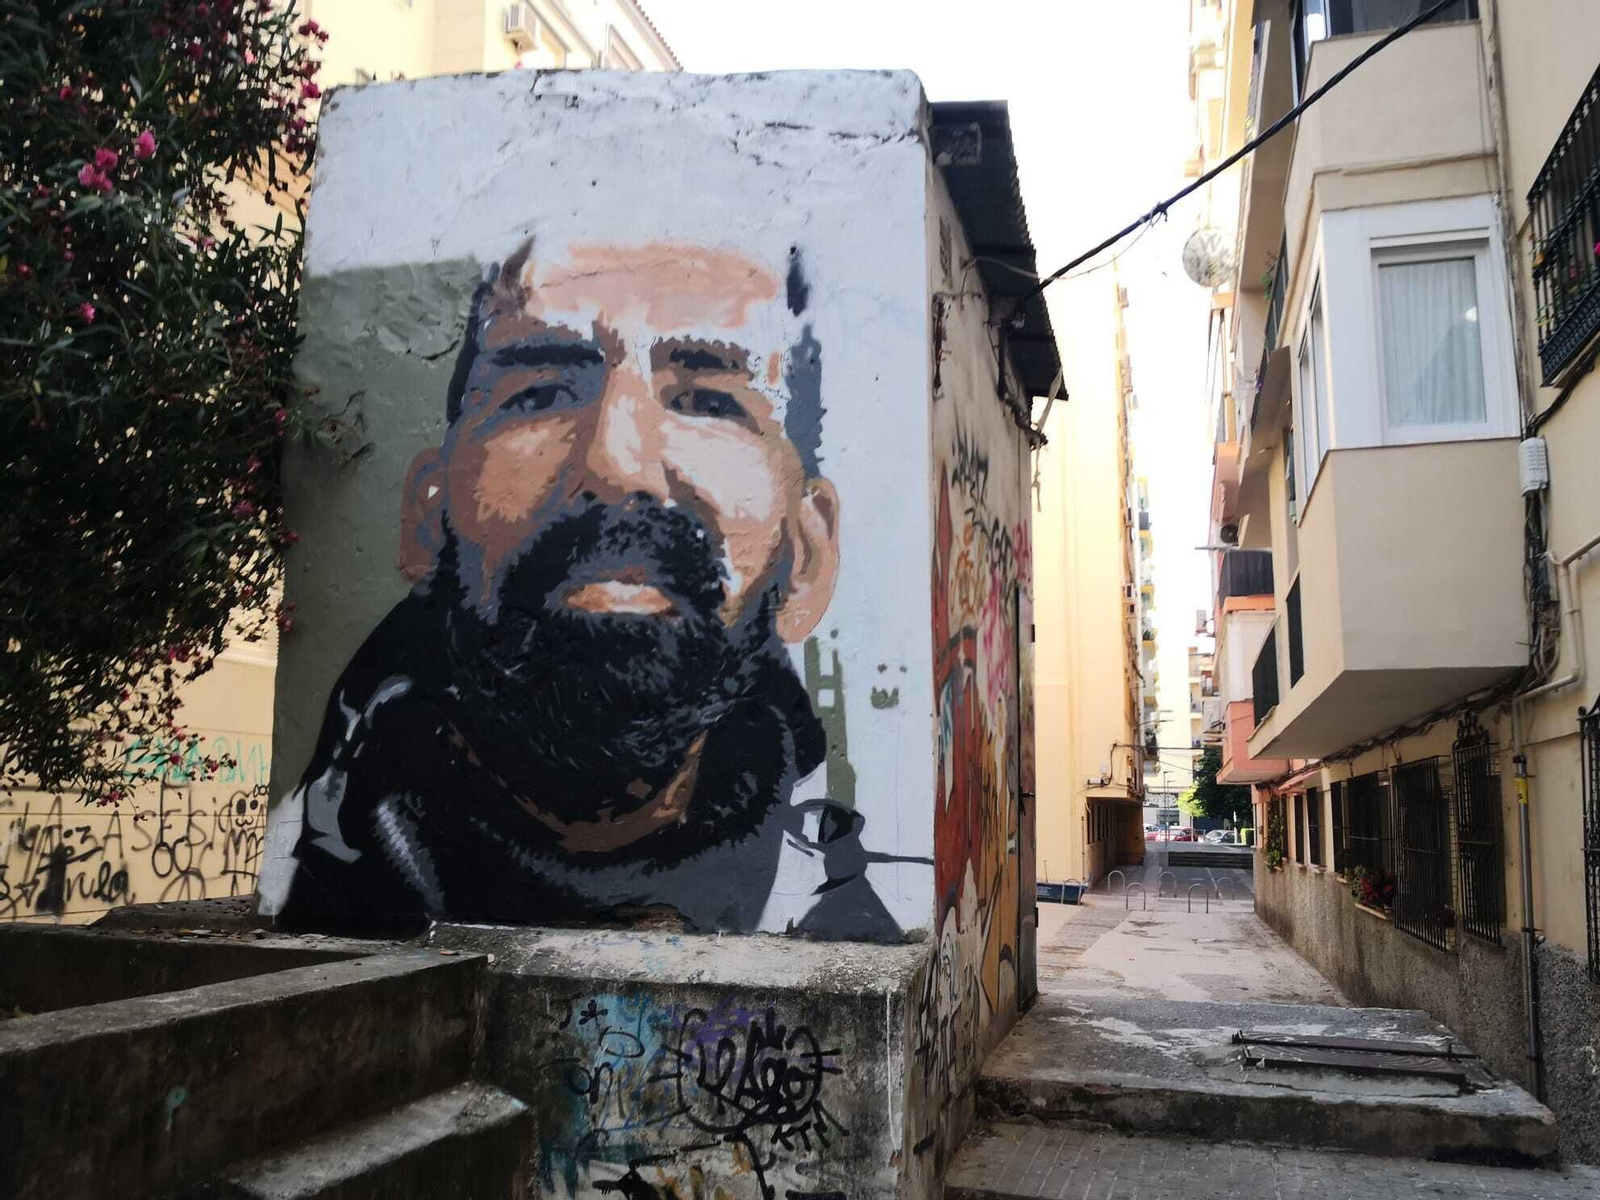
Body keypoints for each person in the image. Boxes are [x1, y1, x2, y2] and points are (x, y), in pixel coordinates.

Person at [261, 238, 901, 938]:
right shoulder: (302, 868)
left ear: (806, 554)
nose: (616, 463)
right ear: (428, 516)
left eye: (708, 401)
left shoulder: (840, 921)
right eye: (539, 394)